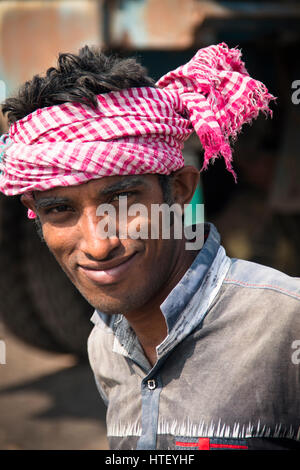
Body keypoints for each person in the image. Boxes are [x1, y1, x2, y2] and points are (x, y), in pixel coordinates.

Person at [0, 43, 299, 451]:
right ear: (36, 215)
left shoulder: (287, 323)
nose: (98, 244)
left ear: (179, 190)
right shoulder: (105, 344)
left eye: (122, 201)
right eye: (60, 209)